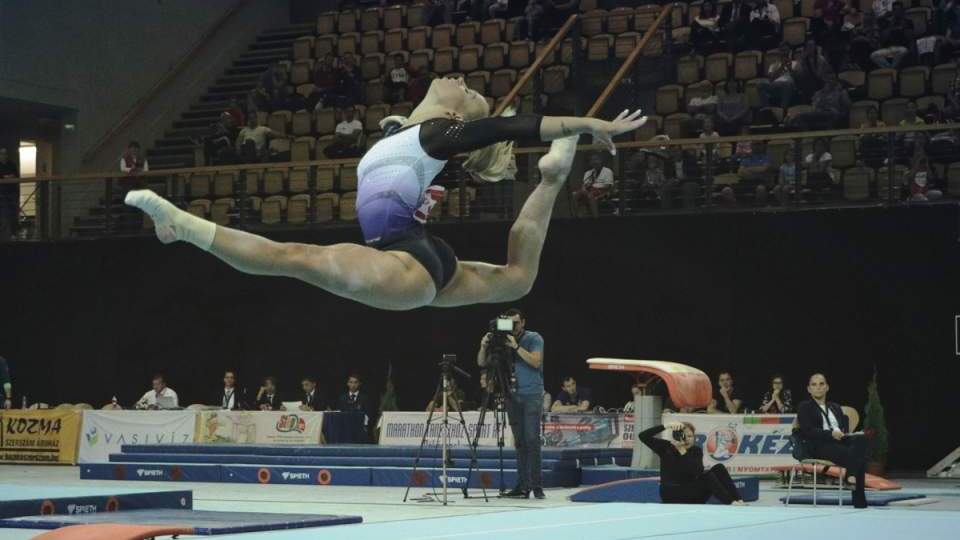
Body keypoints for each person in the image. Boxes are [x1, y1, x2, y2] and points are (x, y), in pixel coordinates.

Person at [125, 76, 646, 312]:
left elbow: (517, 126)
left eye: (466, 90)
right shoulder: (404, 131)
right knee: (517, 280)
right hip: (420, 256)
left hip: (405, 262)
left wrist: (588, 124)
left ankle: (181, 225)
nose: (458, 79)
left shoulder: (438, 133)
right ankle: (553, 178)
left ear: (454, 114)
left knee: (294, 257)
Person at [477, 308, 545, 499]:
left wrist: (515, 347)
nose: (513, 327)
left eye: (516, 323)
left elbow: (536, 361)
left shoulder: (533, 338)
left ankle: (537, 486)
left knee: (532, 440)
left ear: (523, 322)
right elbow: (482, 363)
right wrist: (483, 346)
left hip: (531, 394)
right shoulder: (502, 340)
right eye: (509, 323)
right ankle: (522, 485)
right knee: (519, 442)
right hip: (511, 394)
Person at [797, 373, 867, 508]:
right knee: (857, 457)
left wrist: (848, 434)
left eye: (821, 384)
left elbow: (843, 428)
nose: (818, 387)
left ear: (827, 387)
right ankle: (859, 502)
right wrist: (831, 434)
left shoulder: (835, 407)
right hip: (819, 445)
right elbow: (808, 431)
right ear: (809, 389)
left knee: (861, 440)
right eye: (814, 384)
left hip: (839, 440)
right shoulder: (805, 407)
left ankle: (850, 477)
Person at [638, 421, 746, 504]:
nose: (687, 439)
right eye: (684, 436)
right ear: (676, 437)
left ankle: (738, 500)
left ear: (694, 437)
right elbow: (642, 436)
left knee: (719, 468)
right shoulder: (666, 447)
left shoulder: (696, 450)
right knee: (708, 477)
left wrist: (683, 452)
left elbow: (697, 472)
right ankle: (730, 503)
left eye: (690, 436)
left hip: (691, 493)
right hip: (671, 494)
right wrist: (667, 425)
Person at [574, 153, 614, 218]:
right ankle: (578, 217)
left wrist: (594, 187)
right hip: (588, 191)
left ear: (601, 161)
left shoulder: (608, 171)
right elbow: (584, 184)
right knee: (577, 195)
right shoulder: (588, 173)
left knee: (590, 196)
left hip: (602, 191)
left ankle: (595, 217)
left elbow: (608, 186)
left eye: (596, 159)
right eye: (592, 160)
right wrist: (584, 189)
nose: (594, 162)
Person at [759, 43, 796, 109]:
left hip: (789, 85)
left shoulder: (794, 63)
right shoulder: (773, 65)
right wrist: (782, 66)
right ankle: (767, 109)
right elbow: (771, 79)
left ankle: (782, 110)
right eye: (782, 50)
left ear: (789, 52)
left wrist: (790, 68)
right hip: (775, 86)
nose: (784, 53)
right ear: (779, 52)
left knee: (787, 84)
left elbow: (796, 79)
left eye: (786, 50)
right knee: (760, 85)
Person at [0, 148, 19, 241]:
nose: (4, 155)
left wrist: (6, 177)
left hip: (12, 192)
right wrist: (7, 177)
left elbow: (16, 175)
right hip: (2, 192)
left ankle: (13, 233)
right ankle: (4, 234)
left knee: (13, 213)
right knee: (4, 213)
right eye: (2, 154)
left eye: (5, 153)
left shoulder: (12, 164)